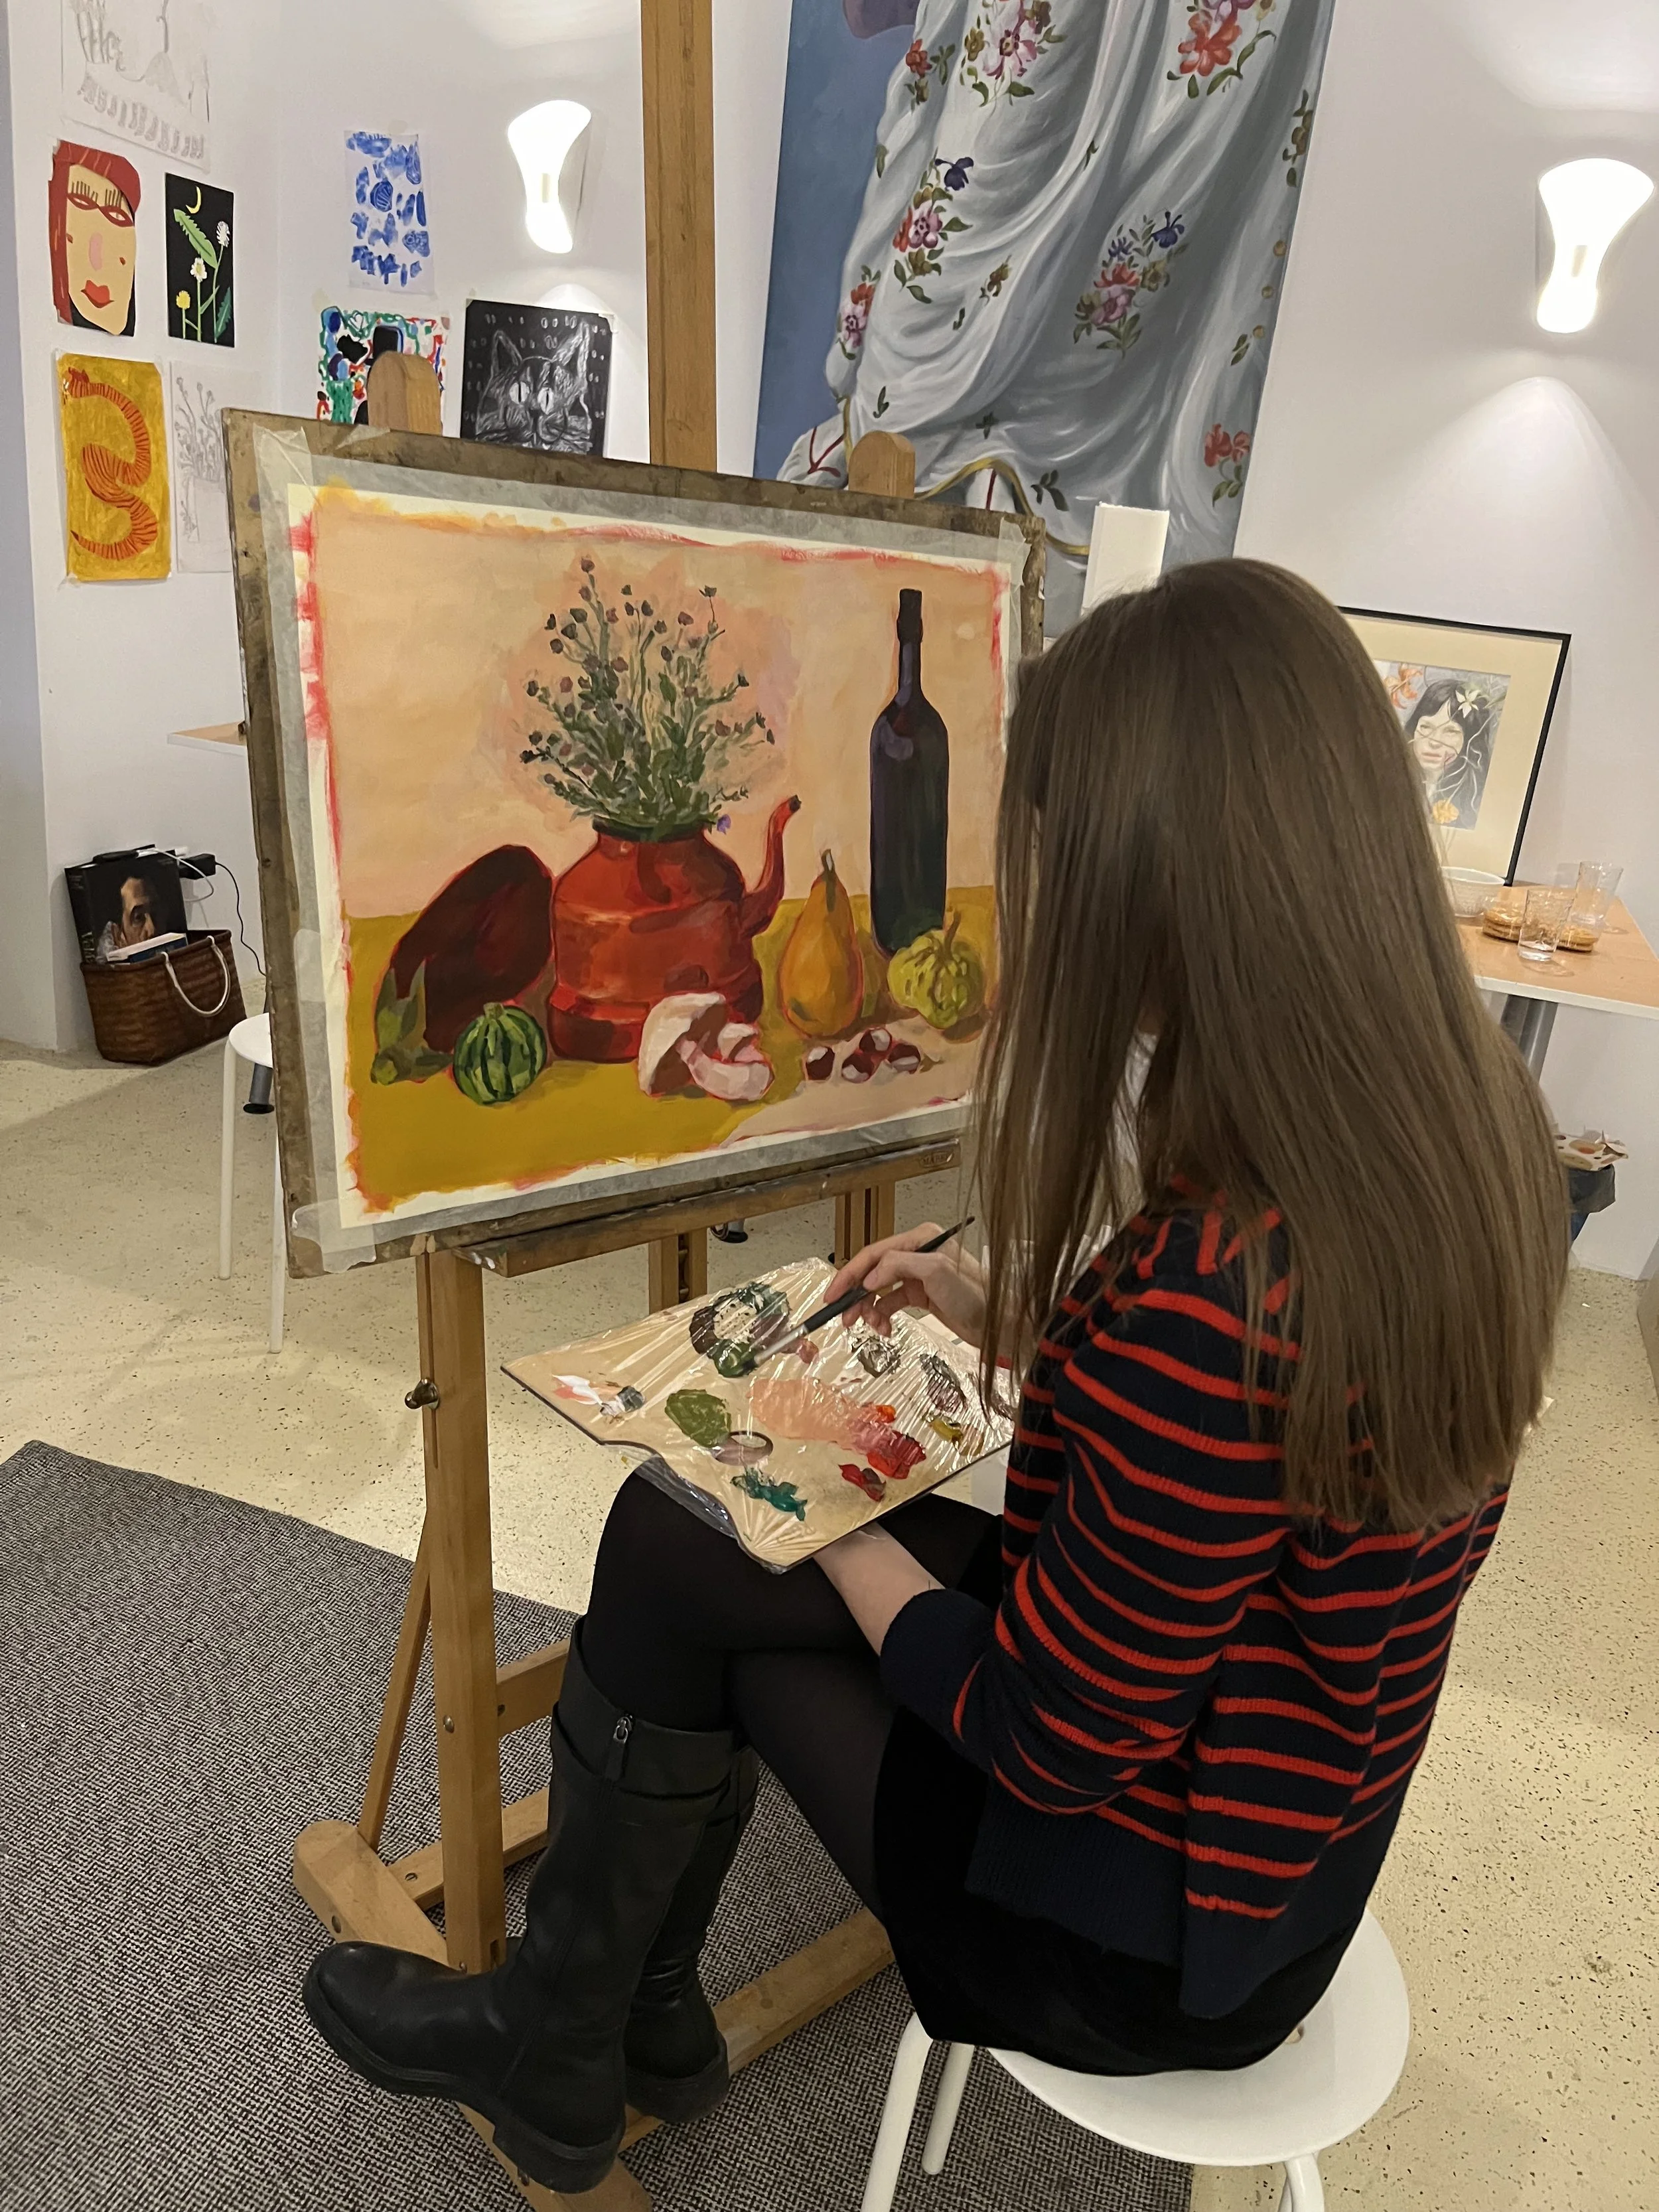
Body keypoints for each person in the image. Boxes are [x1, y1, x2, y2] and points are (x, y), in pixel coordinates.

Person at [303, 560, 1567, 2197]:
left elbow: (1044, 1736)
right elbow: (1262, 1474)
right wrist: (1010, 1314)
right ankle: (628, 2009)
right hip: (1288, 1844)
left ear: (1154, 889)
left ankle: (570, 2031)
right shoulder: (1468, 1144)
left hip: (1135, 1943)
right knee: (686, 1534)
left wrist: (808, 1500)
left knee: (707, 1560)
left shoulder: (1220, 1293)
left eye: (1042, 860)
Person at [1403, 673, 1496, 828]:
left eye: (1450, 731)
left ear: (1469, 740)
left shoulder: (1474, 802)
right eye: (1426, 727)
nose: (1434, 742)